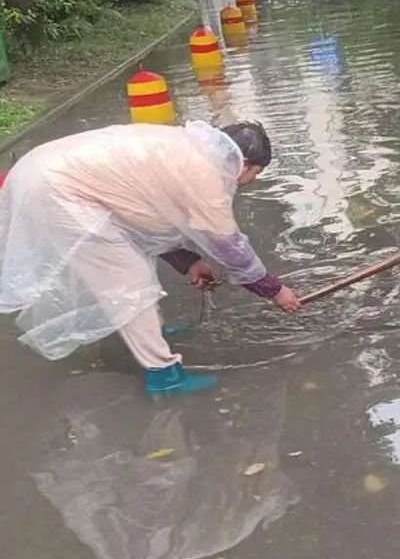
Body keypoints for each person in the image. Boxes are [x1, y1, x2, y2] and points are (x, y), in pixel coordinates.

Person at [0, 120, 302, 396]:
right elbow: (230, 247)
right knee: (129, 284)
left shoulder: (188, 149)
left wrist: (189, 262)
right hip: (59, 192)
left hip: (47, 174)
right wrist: (273, 290)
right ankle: (164, 375)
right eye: (255, 173)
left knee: (132, 263)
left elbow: (146, 217)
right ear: (243, 163)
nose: (251, 181)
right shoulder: (207, 174)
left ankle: (151, 334)